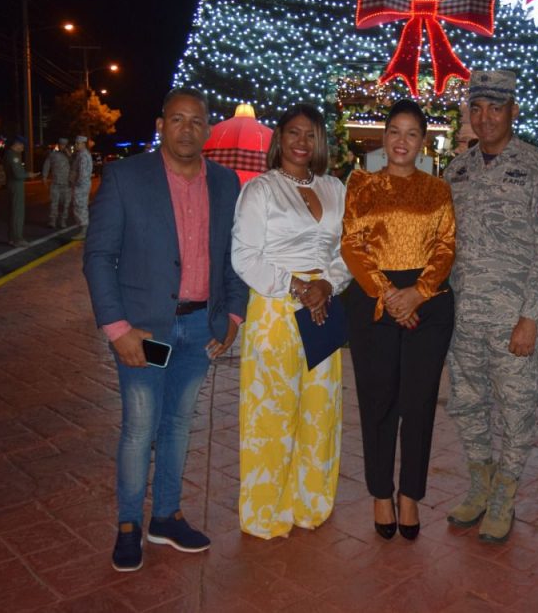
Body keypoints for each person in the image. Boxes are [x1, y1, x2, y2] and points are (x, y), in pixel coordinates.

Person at [83, 87, 248, 572]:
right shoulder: (126, 177)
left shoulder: (225, 183)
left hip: (199, 328)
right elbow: (98, 256)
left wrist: (233, 315)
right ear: (161, 125)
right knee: (140, 426)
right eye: (177, 119)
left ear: (208, 129)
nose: (186, 129)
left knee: (178, 423)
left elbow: (232, 255)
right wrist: (117, 329)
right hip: (144, 333)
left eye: (196, 121)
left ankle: (166, 517)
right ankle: (128, 525)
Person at [443, 71, 538, 543]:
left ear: (513, 111)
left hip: (513, 318)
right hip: (462, 316)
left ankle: (505, 496)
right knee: (467, 404)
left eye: (496, 107)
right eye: (477, 107)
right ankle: (480, 483)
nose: (486, 117)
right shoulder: (457, 171)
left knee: (515, 409)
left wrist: (531, 317)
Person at [231, 103, 352, 540]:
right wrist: (299, 286)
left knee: (320, 410)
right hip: (275, 306)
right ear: (279, 138)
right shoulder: (261, 190)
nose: (302, 142)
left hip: (323, 307)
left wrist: (327, 284)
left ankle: (310, 503)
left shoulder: (334, 188)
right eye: (294, 132)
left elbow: (348, 251)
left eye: (310, 134)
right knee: (272, 414)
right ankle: (266, 511)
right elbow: (244, 256)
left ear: (320, 142)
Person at [341, 99, 456, 540]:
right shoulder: (361, 183)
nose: (401, 141)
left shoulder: (438, 189)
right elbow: (351, 243)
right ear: (383, 136)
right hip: (374, 301)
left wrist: (418, 294)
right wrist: (388, 294)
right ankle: (380, 494)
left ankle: (410, 495)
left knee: (419, 403)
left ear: (423, 141)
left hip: (428, 304)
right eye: (394, 131)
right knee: (377, 402)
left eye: (411, 133)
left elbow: (446, 245)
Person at [3, 136, 29, 247]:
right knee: (17, 213)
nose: (23, 148)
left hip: (11, 185)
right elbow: (18, 174)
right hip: (16, 186)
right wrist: (28, 175)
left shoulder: (9, 154)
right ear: (17, 144)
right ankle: (17, 238)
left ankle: (11, 238)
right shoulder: (13, 156)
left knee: (12, 211)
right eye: (22, 146)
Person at [42, 137, 71, 228]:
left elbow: (75, 165)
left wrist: (69, 155)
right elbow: (47, 165)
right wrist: (44, 177)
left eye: (65, 145)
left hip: (67, 184)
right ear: (58, 145)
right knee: (54, 204)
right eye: (61, 145)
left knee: (65, 204)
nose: (63, 146)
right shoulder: (52, 155)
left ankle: (63, 221)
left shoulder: (70, 156)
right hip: (55, 183)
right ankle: (52, 221)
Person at [70, 135, 93, 240]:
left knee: (80, 207)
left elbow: (82, 174)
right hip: (82, 184)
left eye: (77, 143)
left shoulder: (83, 156)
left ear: (83, 144)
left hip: (81, 185)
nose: (76, 145)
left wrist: (76, 183)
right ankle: (84, 229)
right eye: (76, 143)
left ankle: (84, 231)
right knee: (81, 206)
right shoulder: (81, 154)